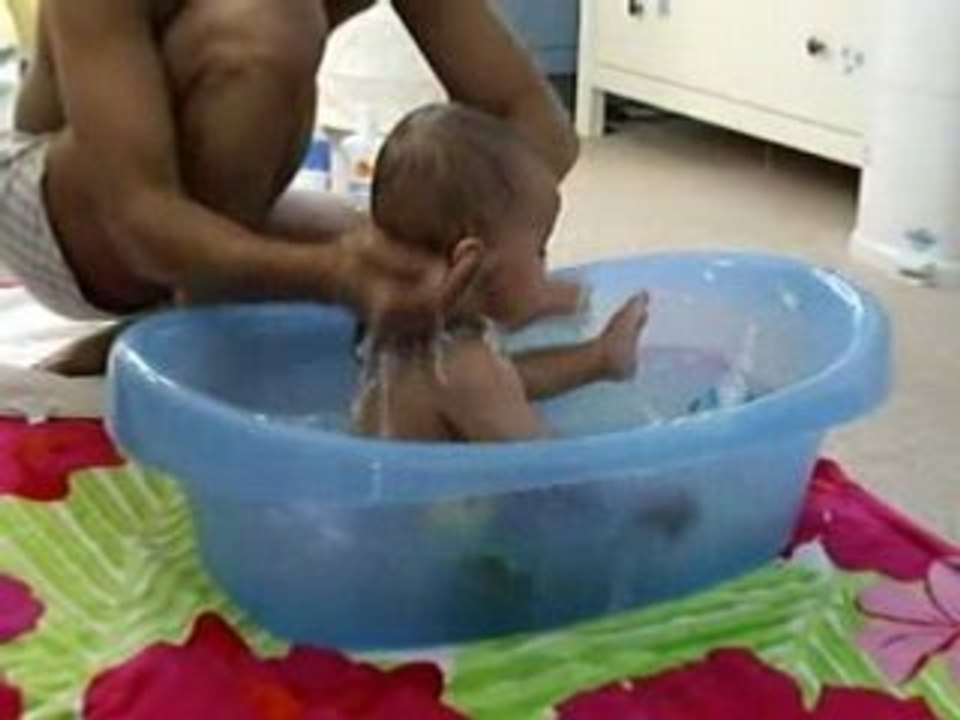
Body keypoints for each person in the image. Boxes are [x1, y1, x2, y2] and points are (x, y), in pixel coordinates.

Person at [0, 0, 581, 375]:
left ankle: (193, 311)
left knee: (416, 259)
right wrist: (336, 274)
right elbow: (139, 214)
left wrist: (494, 248)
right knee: (269, 28)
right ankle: (175, 323)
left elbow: (531, 119)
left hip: (220, 197)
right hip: (60, 209)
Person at [353, 104, 649, 442]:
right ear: (474, 264)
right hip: (447, 498)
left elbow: (507, 379)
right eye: (539, 251)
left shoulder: (398, 337)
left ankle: (601, 357)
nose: (545, 265)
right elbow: (545, 474)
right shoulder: (469, 371)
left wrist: (593, 350)